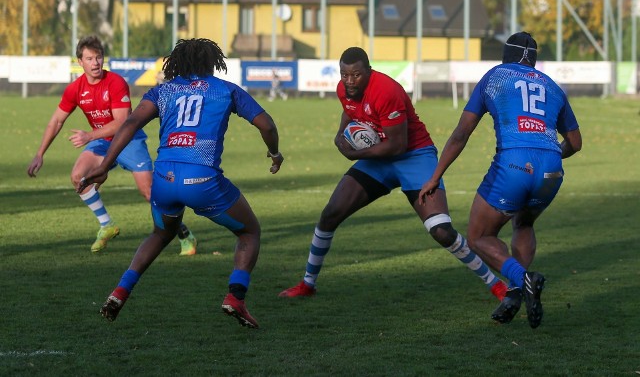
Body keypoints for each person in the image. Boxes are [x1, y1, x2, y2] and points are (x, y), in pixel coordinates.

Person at [77, 38, 284, 329]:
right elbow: (267, 125)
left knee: (161, 234)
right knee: (249, 231)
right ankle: (236, 297)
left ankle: (120, 291)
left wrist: (103, 165)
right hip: (203, 181)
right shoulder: (226, 89)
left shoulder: (163, 90)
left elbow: (130, 124)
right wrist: (274, 153)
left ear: (179, 64)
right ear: (213, 63)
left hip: (163, 179)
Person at [279, 46, 508, 301]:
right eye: (344, 75)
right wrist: (339, 135)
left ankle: (495, 284)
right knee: (330, 213)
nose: (349, 81)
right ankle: (308, 283)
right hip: (379, 157)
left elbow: (397, 145)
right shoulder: (343, 89)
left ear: (369, 70)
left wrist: (355, 155)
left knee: (441, 230)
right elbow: (350, 109)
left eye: (356, 75)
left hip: (413, 156)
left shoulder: (386, 90)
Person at [419, 31, 582, 329]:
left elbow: (461, 133)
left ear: (505, 55)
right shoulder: (553, 87)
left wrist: (435, 176)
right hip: (552, 168)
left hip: (514, 165)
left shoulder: (495, 76)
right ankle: (516, 293)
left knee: (478, 236)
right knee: (525, 223)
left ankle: (524, 279)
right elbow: (575, 142)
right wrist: (549, 155)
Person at [27, 35, 197, 255]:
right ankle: (106, 225)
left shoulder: (115, 83)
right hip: (101, 142)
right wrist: (40, 153)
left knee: (151, 194)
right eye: (89, 58)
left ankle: (184, 233)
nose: (95, 62)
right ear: (80, 61)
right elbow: (57, 120)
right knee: (79, 177)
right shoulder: (75, 89)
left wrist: (88, 136)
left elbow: (122, 123)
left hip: (129, 140)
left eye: (98, 57)